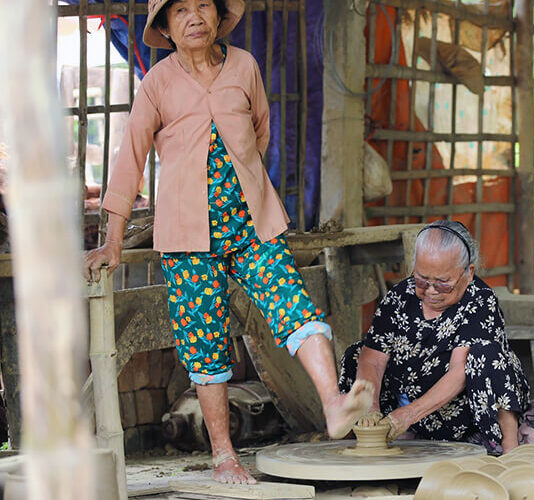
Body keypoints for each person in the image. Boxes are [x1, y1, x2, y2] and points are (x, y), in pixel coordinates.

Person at [82, 0, 373, 484]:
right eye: (180, 12)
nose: (194, 17)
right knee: (203, 341)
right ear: (165, 27)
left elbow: (260, 132)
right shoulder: (157, 83)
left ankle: (335, 404)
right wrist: (112, 241)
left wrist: (246, 184)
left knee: (294, 308)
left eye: (203, 6)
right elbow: (130, 162)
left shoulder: (244, 66)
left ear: (219, 18)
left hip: (251, 227)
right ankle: (224, 456)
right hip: (186, 238)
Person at [339, 220, 534, 454]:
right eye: (422, 279)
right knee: (356, 354)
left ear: (467, 273)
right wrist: (370, 410)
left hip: (465, 417)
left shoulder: (479, 301)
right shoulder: (399, 297)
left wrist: (408, 414)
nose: (431, 291)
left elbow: (459, 372)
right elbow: (372, 359)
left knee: (486, 354)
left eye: (443, 283)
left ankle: (508, 448)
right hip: (408, 415)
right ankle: (366, 443)